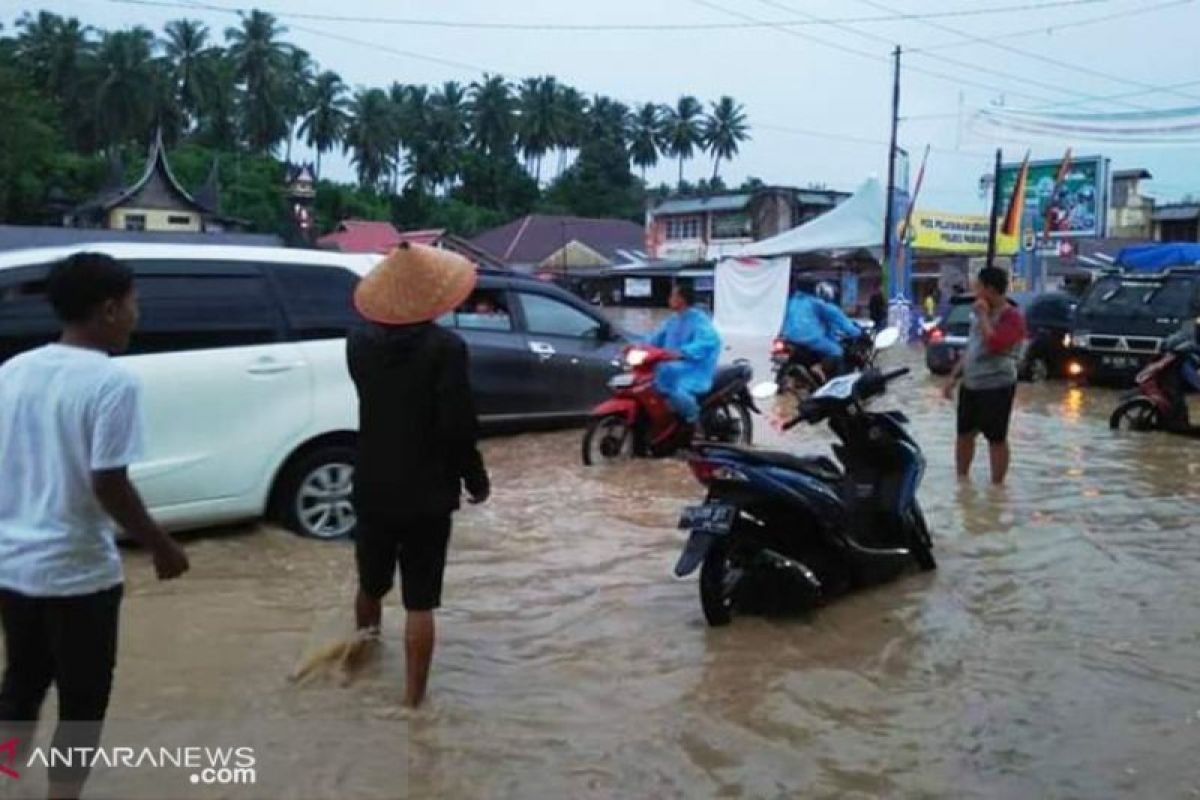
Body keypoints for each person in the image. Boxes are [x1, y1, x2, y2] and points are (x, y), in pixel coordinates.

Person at [0, 252, 189, 800]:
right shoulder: (112, 383)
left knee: (20, 687)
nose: (136, 314)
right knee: (82, 707)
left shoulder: (12, 371)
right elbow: (109, 482)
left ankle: (6, 779)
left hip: (13, 568)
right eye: (133, 304)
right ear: (108, 309)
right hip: (78, 575)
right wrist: (161, 547)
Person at [348, 243, 490, 708]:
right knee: (420, 600)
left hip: (371, 483)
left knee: (370, 584)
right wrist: (475, 477)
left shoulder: (358, 342)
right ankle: (413, 702)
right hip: (427, 491)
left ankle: (361, 666)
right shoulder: (447, 348)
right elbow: (457, 424)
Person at [941, 266, 1027, 485]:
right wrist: (953, 377)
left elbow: (996, 344)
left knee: (996, 438)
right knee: (964, 434)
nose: (976, 292)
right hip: (971, 383)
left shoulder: (1012, 316)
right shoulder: (978, 313)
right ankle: (962, 480)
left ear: (989, 289)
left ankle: (997, 485)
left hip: (997, 384)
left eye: (978, 286)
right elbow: (973, 348)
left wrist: (983, 316)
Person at [646, 284, 722, 442]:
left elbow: (710, 341)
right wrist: (636, 347)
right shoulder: (672, 320)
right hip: (671, 366)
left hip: (694, 369)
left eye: (673, 296)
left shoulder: (699, 319)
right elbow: (654, 339)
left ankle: (695, 422)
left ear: (682, 299)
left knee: (675, 389)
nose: (669, 299)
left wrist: (683, 352)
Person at [780, 278, 863, 377]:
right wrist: (857, 333)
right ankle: (834, 383)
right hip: (810, 338)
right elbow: (840, 320)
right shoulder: (818, 304)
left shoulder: (791, 301)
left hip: (788, 338)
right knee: (838, 352)